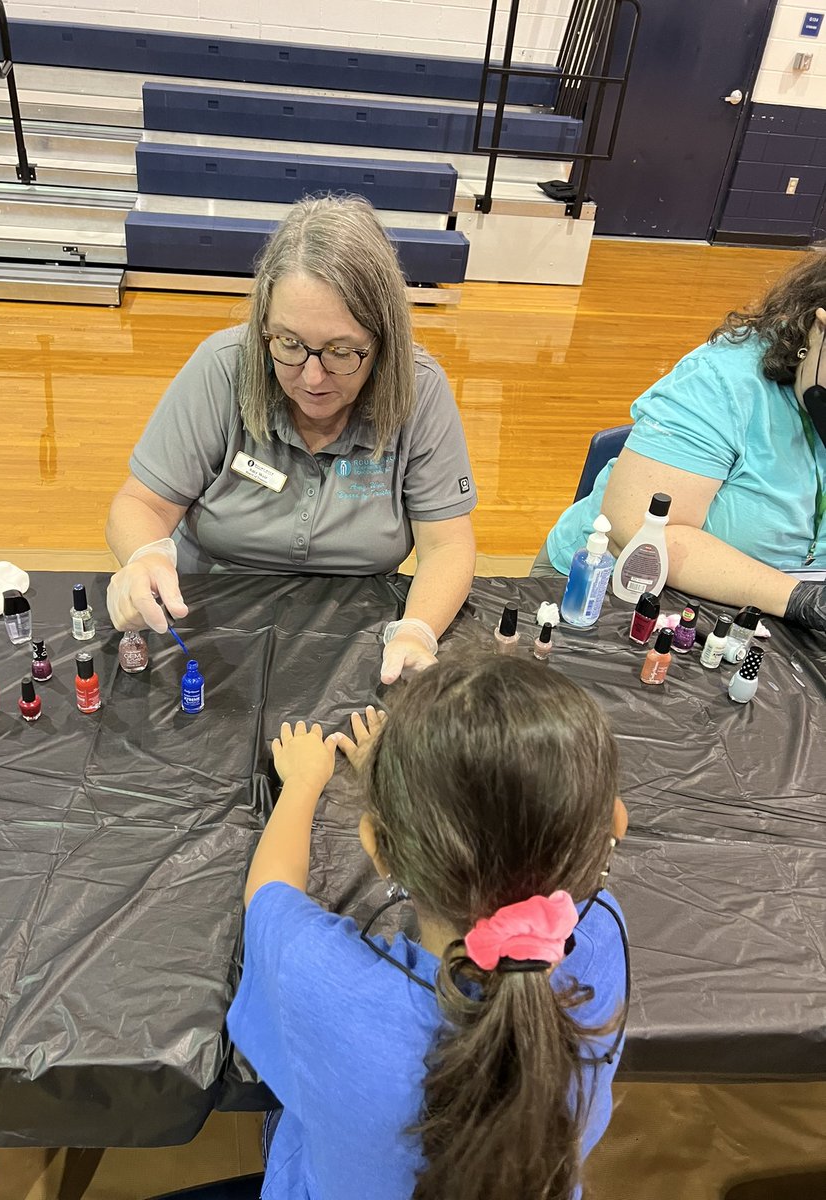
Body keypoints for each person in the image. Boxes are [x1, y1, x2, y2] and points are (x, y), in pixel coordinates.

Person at [227, 656, 630, 1200]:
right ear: (614, 825)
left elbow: (268, 895)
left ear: (376, 847)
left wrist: (302, 782)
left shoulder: (325, 986)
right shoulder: (605, 937)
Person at [104, 196, 477, 684]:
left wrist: (416, 631)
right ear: (265, 328)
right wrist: (145, 556)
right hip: (209, 613)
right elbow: (140, 504)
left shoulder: (420, 390)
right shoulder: (221, 368)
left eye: (343, 351)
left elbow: (447, 544)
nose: (313, 378)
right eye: (289, 344)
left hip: (360, 626)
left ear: (383, 341)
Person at [538, 249, 826, 631]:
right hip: (607, 589)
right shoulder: (723, 380)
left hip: (768, 608)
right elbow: (646, 535)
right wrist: (800, 598)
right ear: (820, 327)